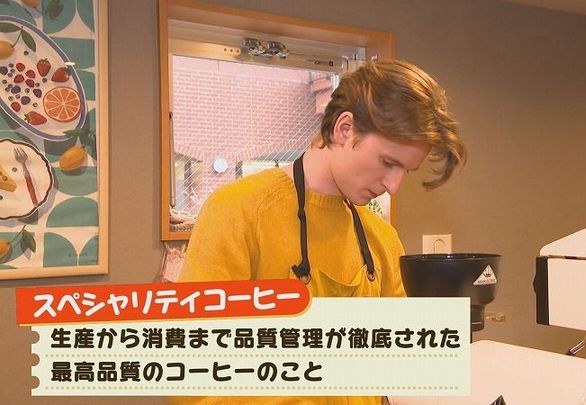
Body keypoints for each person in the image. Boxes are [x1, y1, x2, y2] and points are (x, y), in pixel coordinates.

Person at [172, 60, 467, 405]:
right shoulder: (238, 213)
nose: (394, 186)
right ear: (344, 129)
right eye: (388, 162)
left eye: (406, 171)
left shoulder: (382, 240)